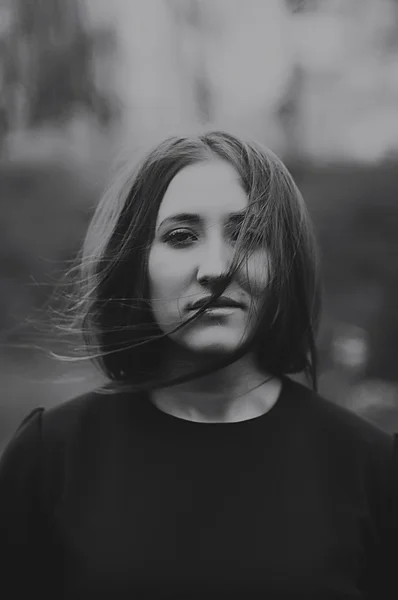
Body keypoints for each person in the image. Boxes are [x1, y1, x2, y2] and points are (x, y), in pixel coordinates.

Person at [0, 130, 397, 599]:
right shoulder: (50, 458)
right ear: (134, 263)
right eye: (181, 236)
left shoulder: (372, 467)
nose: (215, 267)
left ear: (285, 262)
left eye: (247, 236)